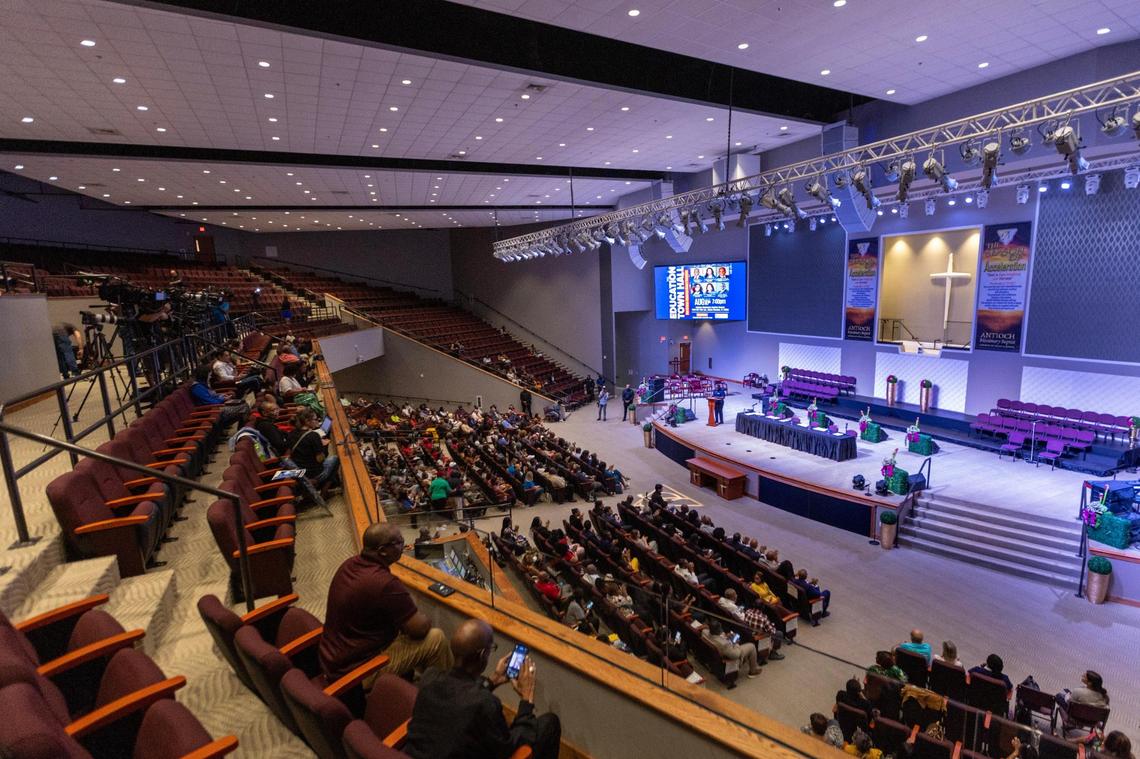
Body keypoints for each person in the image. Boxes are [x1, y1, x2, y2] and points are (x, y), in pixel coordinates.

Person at [403, 618, 561, 759]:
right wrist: (527, 698)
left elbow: (461, 695)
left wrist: (492, 681)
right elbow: (512, 746)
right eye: (491, 647)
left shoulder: (429, 678)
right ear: (482, 655)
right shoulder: (484, 703)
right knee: (549, 723)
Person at [319, 523, 452, 683]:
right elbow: (420, 629)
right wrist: (422, 615)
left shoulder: (349, 564)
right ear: (382, 550)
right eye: (399, 542)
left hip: (334, 659)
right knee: (436, 639)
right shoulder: (385, 584)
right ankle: (444, 698)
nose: (403, 546)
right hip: (356, 672)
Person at [289, 408, 340, 494]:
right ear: (307, 421)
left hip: (299, 472)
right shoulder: (313, 436)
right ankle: (324, 491)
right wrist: (323, 446)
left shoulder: (292, 433)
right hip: (312, 475)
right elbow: (320, 459)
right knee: (335, 459)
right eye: (315, 419)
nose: (318, 422)